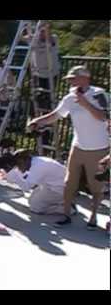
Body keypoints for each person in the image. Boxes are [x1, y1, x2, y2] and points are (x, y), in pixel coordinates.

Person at [28, 66, 109, 229]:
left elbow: (103, 117)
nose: (71, 82)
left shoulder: (99, 94)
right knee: (69, 183)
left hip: (98, 148)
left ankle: (93, 219)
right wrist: (38, 121)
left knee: (96, 186)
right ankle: (66, 214)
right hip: (78, 146)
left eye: (74, 78)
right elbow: (56, 115)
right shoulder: (70, 97)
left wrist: (85, 103)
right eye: (70, 79)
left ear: (85, 78)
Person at [0, 150, 78, 216]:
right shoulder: (35, 161)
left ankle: (67, 208)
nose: (18, 168)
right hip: (52, 186)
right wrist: (12, 175)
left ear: (22, 161)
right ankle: (63, 201)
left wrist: (12, 175)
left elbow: (26, 187)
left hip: (60, 189)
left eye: (18, 165)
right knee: (31, 200)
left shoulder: (37, 167)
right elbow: (26, 179)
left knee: (35, 207)